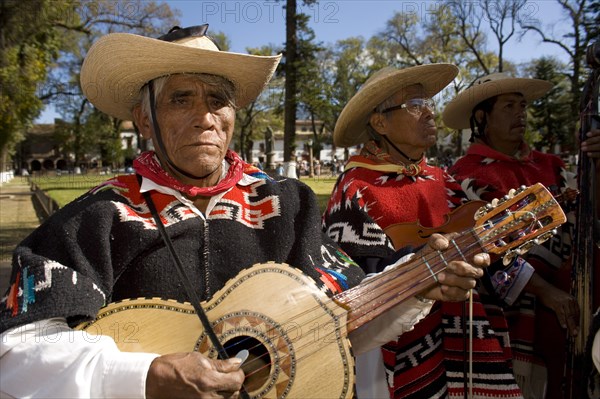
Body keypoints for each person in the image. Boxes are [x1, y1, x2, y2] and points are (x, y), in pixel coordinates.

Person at [0, 25, 489, 398]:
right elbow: (17, 352)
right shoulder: (96, 218)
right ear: (143, 119)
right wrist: (145, 375)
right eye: (181, 99)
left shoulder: (288, 205)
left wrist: (415, 283)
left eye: (218, 99)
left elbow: (337, 321)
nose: (205, 116)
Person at [322, 64, 527, 399]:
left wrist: (503, 242)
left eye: (428, 104)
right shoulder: (355, 186)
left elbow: (486, 251)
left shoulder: (441, 178)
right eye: (415, 105)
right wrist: (420, 271)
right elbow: (354, 286)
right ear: (380, 122)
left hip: (463, 333)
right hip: (394, 349)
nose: (429, 113)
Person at [444, 72, 600, 398]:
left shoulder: (552, 165)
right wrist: (545, 292)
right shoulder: (466, 176)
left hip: (579, 297)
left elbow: (589, 214)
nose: (521, 114)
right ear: (481, 118)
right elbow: (483, 247)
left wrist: (597, 167)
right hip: (516, 317)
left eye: (523, 105)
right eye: (509, 106)